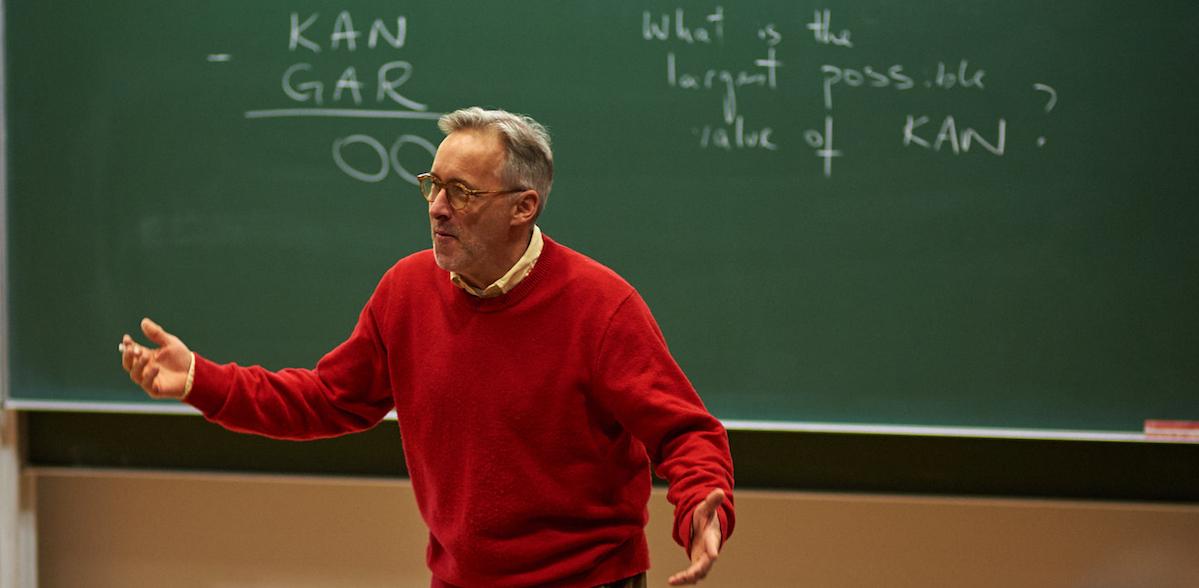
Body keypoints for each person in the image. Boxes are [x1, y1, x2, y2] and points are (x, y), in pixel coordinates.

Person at [120, 107, 735, 587]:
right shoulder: (407, 290)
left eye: (462, 192)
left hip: (586, 581)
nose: (438, 208)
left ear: (525, 206)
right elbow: (328, 399)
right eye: (433, 186)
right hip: (459, 581)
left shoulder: (601, 307)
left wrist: (701, 510)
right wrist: (201, 380)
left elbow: (686, 433)